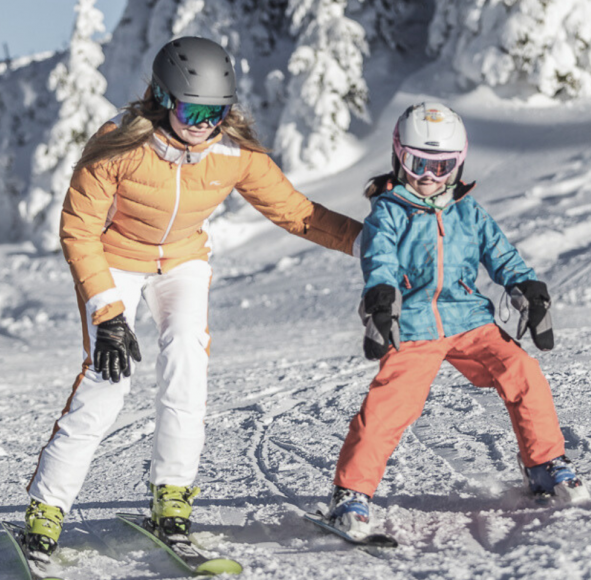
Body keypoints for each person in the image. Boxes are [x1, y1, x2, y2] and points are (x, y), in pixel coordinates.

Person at [23, 36, 362, 558]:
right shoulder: (118, 144)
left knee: (187, 364)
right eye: (192, 109)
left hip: (181, 261)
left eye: (216, 111)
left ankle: (172, 500)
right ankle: (46, 512)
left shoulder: (233, 152)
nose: (204, 123)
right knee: (107, 380)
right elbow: (79, 231)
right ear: (162, 97)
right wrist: (109, 314)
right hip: (115, 259)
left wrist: (368, 243)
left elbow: (297, 212)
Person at [324, 102, 590, 539]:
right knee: (390, 405)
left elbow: (500, 255)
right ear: (398, 157)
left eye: (442, 165)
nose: (429, 176)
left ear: (458, 163)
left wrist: (526, 287)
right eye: (417, 163)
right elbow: (380, 261)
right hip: (412, 325)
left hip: (469, 320)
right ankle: (350, 494)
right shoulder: (388, 212)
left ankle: (545, 465)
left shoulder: (469, 212)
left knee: (521, 370)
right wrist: (381, 300)